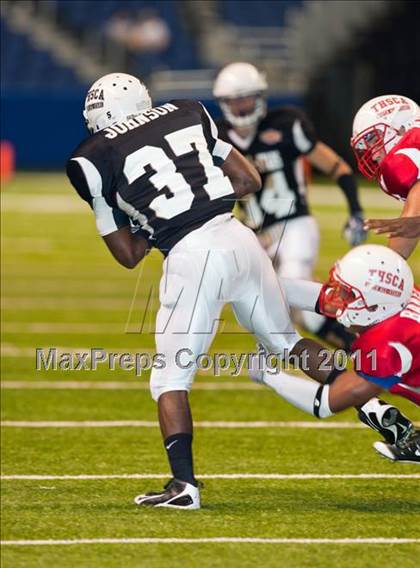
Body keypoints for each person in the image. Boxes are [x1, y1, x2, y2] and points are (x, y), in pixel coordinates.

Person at [67, 73, 343, 510]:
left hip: (190, 254)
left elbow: (128, 254)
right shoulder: (188, 111)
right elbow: (249, 180)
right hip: (239, 237)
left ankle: (184, 486)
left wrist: (149, 223)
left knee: (169, 378)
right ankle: (380, 412)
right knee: (288, 342)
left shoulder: (90, 158)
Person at [213, 62, 367, 350]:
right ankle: (360, 346)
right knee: (290, 311)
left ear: (260, 97)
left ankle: (365, 347)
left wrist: (356, 211)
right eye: (234, 100)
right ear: (223, 102)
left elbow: (337, 167)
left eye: (246, 97)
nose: (242, 106)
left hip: (295, 224)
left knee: (292, 290)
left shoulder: (286, 124)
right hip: (258, 234)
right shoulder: (216, 138)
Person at [251, 244, 420, 463]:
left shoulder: (388, 343)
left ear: (375, 306)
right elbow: (322, 298)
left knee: (354, 388)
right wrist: (257, 286)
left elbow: (325, 403)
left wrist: (269, 375)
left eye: (347, 294)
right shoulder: (398, 301)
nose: (338, 297)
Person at [350, 94, 420, 258]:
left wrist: (387, 268)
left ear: (402, 128)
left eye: (374, 138)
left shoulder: (406, 155)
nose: (373, 155)